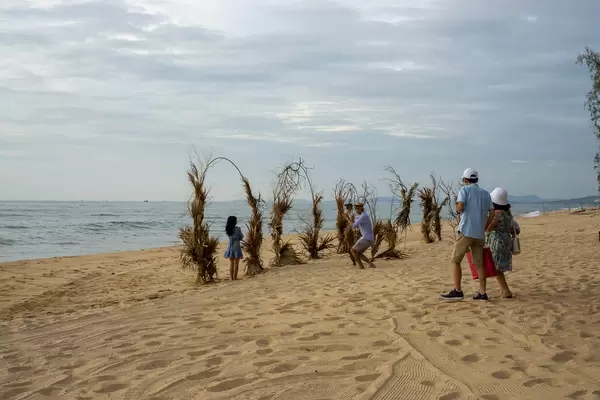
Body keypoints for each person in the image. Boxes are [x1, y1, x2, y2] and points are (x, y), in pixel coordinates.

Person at [441, 168, 494, 301]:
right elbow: (492, 213)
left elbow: (460, 207)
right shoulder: (486, 194)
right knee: (479, 263)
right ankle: (482, 293)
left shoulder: (464, 190)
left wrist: (459, 209)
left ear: (465, 180)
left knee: (455, 260)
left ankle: (457, 291)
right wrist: (485, 226)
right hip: (479, 234)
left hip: (466, 231)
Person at [486, 188, 519, 298]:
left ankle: (505, 291)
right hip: (506, 240)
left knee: (496, 268)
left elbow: (489, 228)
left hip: (497, 241)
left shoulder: (497, 213)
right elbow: (513, 227)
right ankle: (503, 290)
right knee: (499, 267)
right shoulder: (508, 213)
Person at [346, 202, 375, 269]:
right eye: (355, 209)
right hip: (369, 238)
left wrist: (347, 218)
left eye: (356, 209)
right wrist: (351, 219)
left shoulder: (363, 216)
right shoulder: (363, 216)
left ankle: (361, 266)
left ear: (360, 209)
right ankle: (370, 264)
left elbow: (353, 225)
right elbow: (357, 226)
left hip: (366, 238)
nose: (356, 211)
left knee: (353, 250)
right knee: (357, 252)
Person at [224, 216, 244, 281]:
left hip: (230, 246)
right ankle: (235, 277)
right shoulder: (238, 229)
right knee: (236, 263)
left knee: (231, 263)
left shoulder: (228, 230)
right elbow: (241, 237)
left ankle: (231, 278)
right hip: (236, 247)